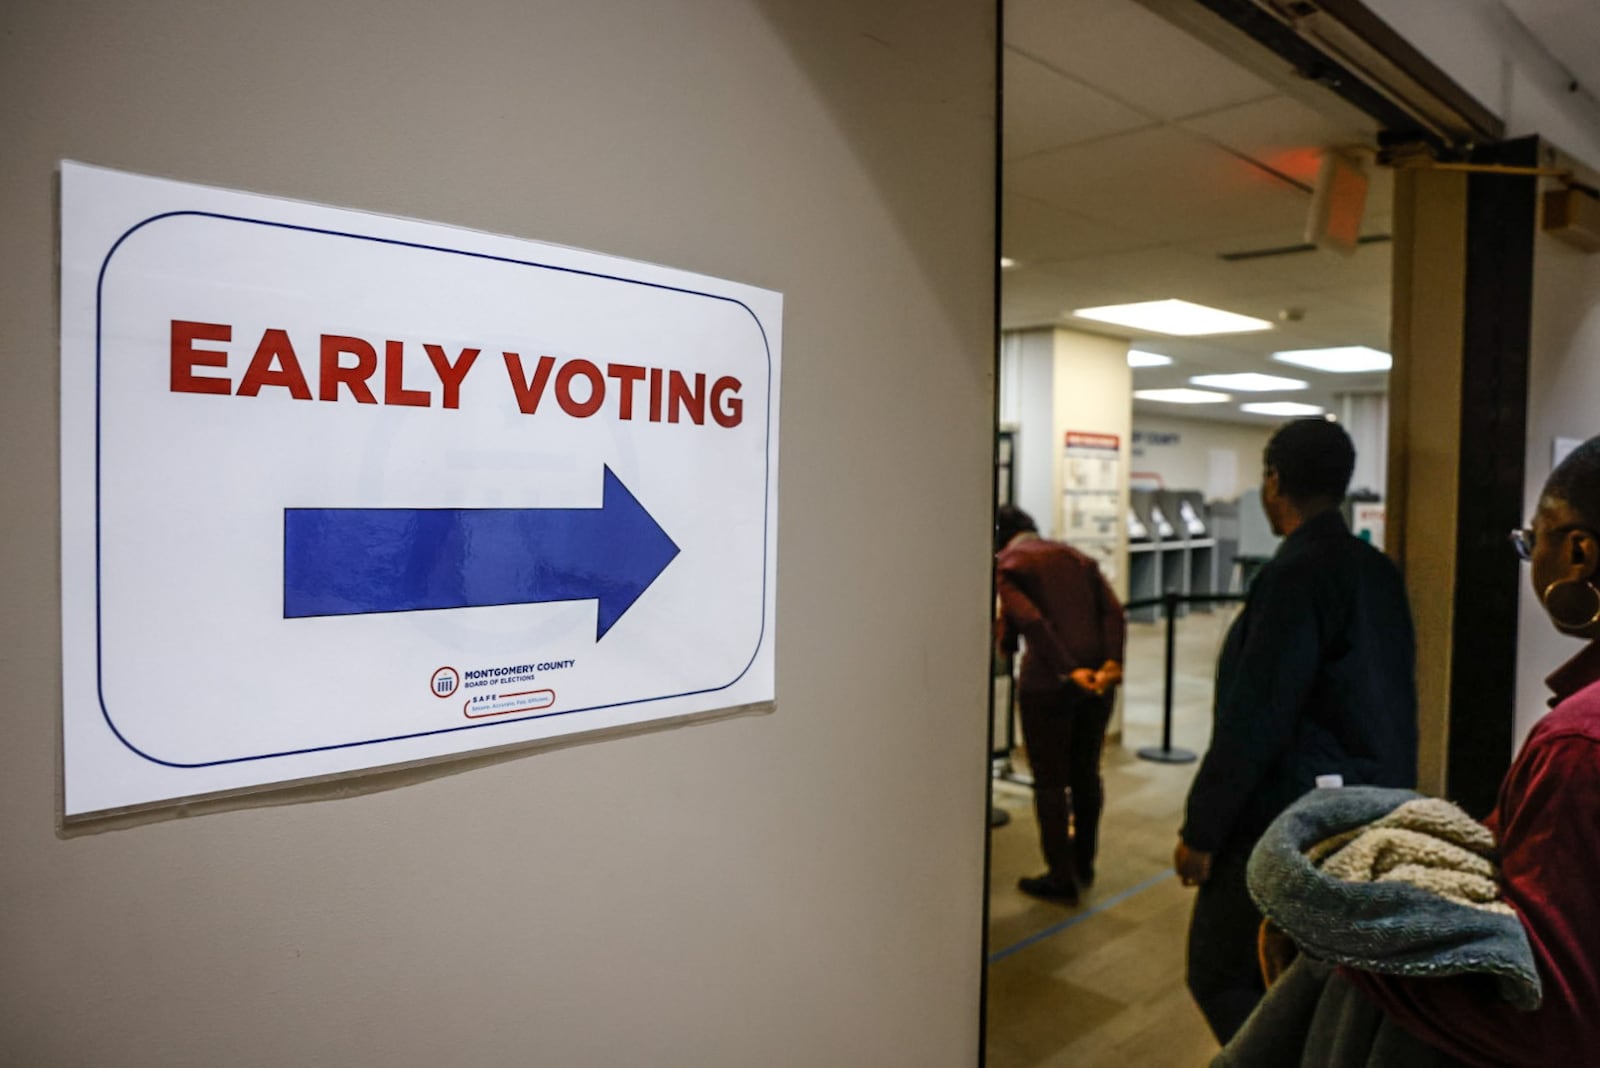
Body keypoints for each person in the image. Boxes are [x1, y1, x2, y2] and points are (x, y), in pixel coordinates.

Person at [1329, 435, 1600, 1065]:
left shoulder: (1579, 746)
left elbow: (1544, 1012)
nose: (1531, 558)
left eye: (1534, 540)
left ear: (1580, 552)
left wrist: (1347, 946)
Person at [1175, 418, 1418, 1044]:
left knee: (1220, 969)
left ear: (1274, 480)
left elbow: (1256, 715)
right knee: (1309, 973)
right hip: (1367, 808)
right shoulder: (1376, 569)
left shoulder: (1294, 575)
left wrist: (1203, 830)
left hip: (1288, 818)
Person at [995, 504, 1125, 906]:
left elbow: (1030, 620)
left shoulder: (1009, 563)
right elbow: (1113, 611)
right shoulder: (1076, 557)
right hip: (1098, 679)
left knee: (1050, 782)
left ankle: (1060, 875)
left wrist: (1067, 671)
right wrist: (1110, 663)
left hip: (1047, 684)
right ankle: (1084, 860)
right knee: (1087, 771)